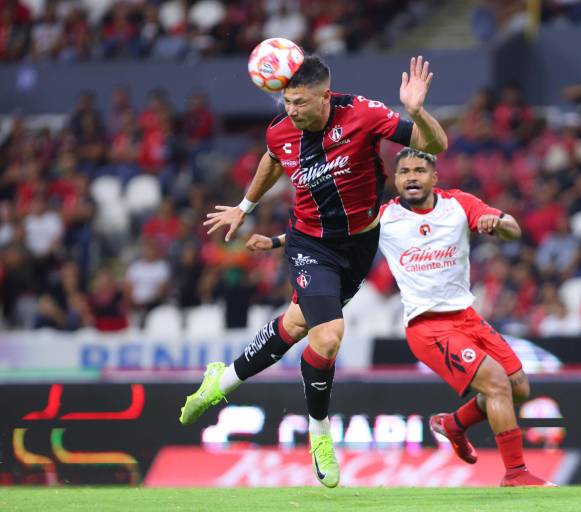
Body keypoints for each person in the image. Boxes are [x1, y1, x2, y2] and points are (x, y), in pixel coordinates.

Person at [178, 54, 448, 489]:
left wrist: (416, 111)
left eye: (300, 102)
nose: (291, 111)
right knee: (328, 335)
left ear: (325, 96)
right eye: (286, 102)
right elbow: (272, 158)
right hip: (310, 244)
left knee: (296, 324)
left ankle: (222, 379)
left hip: (359, 245)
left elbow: (435, 145)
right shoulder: (281, 130)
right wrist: (245, 206)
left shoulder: (363, 114)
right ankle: (320, 433)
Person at [247, 148, 553, 487]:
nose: (412, 177)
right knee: (495, 383)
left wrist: (497, 224)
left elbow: (513, 228)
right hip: (428, 326)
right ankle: (515, 473)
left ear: (434, 177)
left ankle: (454, 425)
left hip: (467, 316)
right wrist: (274, 242)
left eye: (419, 170)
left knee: (518, 387)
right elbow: (329, 233)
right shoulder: (383, 217)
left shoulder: (458, 204)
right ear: (395, 179)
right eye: (404, 171)